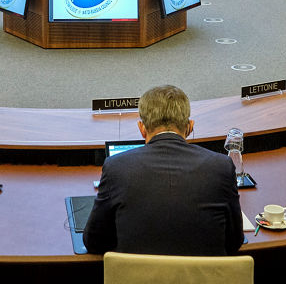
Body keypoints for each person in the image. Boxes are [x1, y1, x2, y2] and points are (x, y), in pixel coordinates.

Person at [84, 85, 242, 256]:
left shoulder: (116, 167)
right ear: (190, 127)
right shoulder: (221, 166)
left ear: (142, 128)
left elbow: (94, 243)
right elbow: (234, 242)